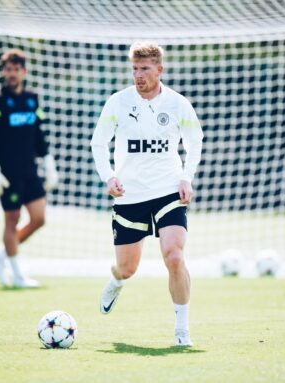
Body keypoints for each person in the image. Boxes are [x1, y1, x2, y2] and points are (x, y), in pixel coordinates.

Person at [90, 41, 203, 346]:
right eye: (135, 69)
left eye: (145, 69)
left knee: (175, 256)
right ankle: (116, 281)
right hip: (129, 195)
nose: (138, 75)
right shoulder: (118, 102)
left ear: (159, 70)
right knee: (127, 268)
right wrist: (109, 176)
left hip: (168, 191)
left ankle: (182, 330)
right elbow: (99, 143)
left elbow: (195, 141)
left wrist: (186, 177)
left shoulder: (178, 104)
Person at [0, 48, 59, 288]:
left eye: (16, 69)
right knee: (12, 220)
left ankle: (1, 254)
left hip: (29, 170)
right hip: (8, 172)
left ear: (24, 71)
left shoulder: (31, 98)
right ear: (3, 72)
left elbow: (38, 134)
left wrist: (48, 160)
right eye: (8, 69)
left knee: (39, 218)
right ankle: (16, 275)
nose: (12, 73)